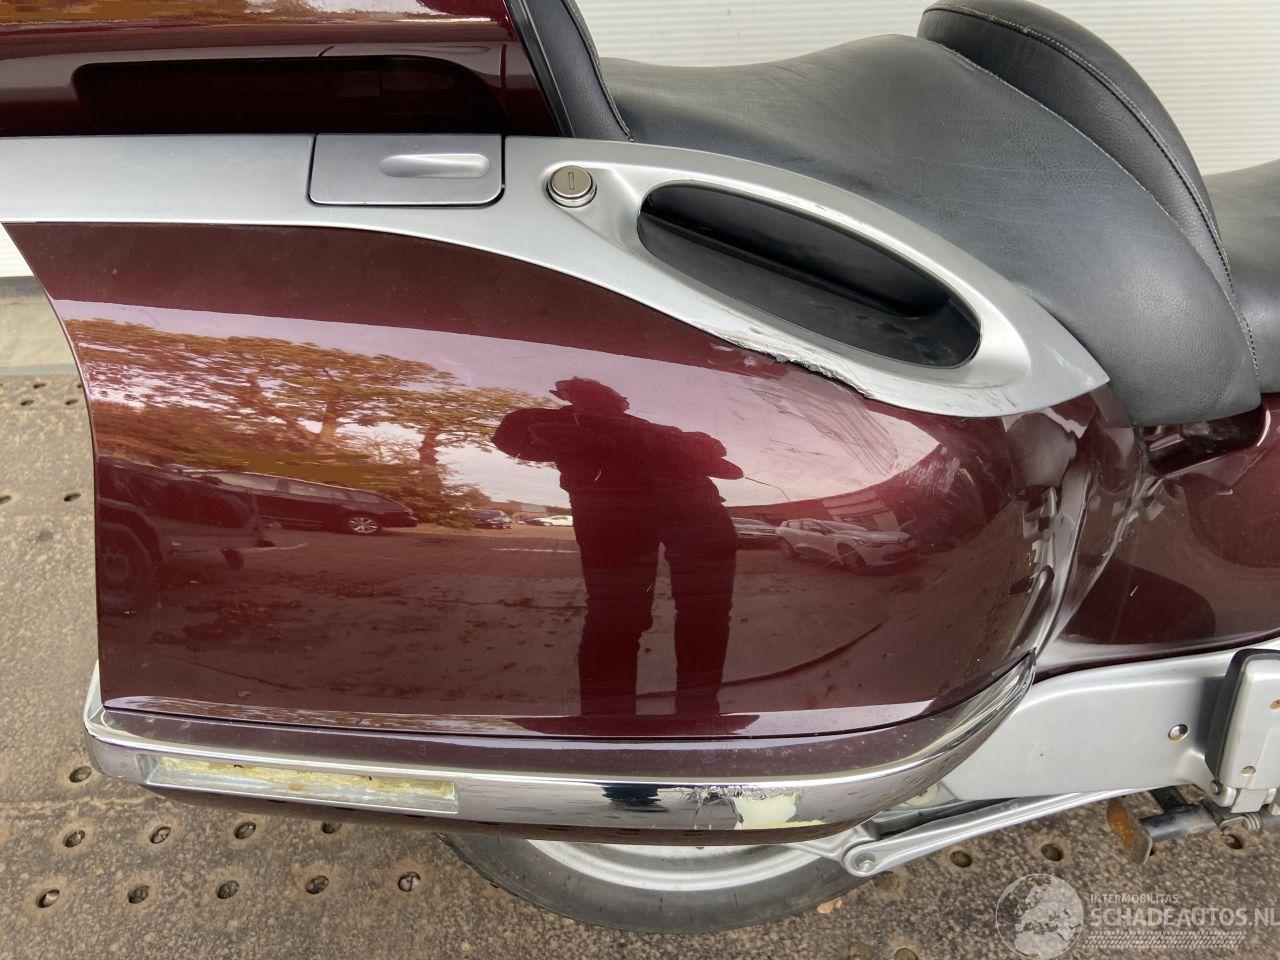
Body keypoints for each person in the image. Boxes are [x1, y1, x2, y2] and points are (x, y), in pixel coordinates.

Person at [493, 378, 741, 717]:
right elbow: (510, 436)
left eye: (613, 395)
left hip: (698, 510)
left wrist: (694, 444)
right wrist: (590, 439)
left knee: (707, 611)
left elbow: (720, 456)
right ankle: (607, 720)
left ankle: (699, 711)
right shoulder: (551, 419)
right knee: (617, 616)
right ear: (570, 397)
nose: (614, 400)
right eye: (597, 394)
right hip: (614, 515)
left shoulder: (657, 428)